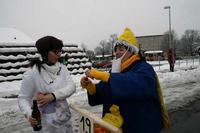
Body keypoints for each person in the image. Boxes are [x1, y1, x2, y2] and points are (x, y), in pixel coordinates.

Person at [81, 28, 170, 133]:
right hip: (116, 127)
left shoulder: (144, 68)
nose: (117, 52)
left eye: (121, 49)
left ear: (132, 51)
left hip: (139, 127)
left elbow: (137, 85)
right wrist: (92, 88)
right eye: (116, 49)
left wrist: (107, 77)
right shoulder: (116, 70)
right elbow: (107, 91)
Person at [18, 36, 76, 133]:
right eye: (55, 52)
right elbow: (23, 98)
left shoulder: (62, 68)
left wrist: (53, 96)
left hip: (65, 123)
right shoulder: (32, 73)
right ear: (44, 53)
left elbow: (72, 87)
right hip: (47, 127)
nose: (58, 55)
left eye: (60, 51)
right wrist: (29, 114)